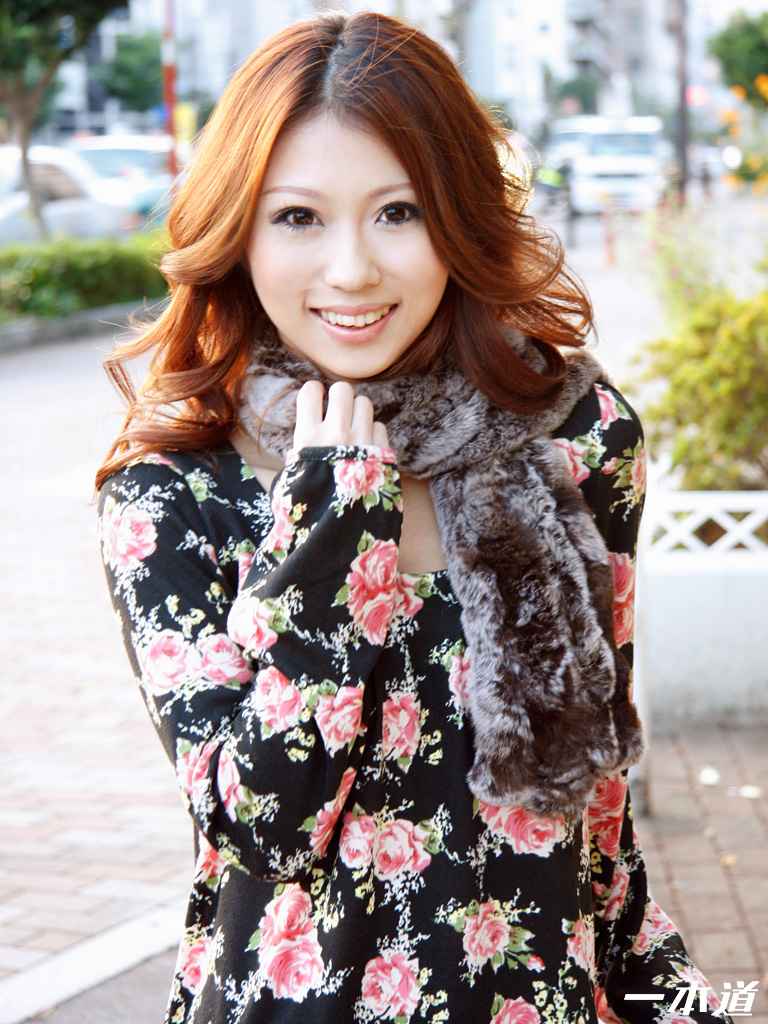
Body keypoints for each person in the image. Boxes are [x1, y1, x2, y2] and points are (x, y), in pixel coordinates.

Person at [93, 12, 733, 1024]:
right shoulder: (175, 488)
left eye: (399, 212)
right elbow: (263, 828)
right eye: (298, 218)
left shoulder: (577, 440)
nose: (352, 269)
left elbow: (598, 804)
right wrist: (333, 523)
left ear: (459, 219)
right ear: (238, 232)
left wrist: (667, 993)